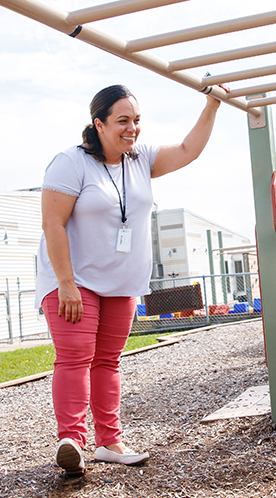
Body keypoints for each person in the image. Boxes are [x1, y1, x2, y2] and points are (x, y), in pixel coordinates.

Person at [35, 83, 227, 475]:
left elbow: (189, 150)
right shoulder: (70, 162)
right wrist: (66, 283)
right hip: (74, 281)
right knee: (75, 358)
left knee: (108, 361)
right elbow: (52, 223)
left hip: (121, 282)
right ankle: (71, 439)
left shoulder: (140, 159)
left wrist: (212, 105)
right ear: (99, 123)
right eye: (123, 120)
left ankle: (109, 441)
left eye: (136, 120)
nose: (132, 129)